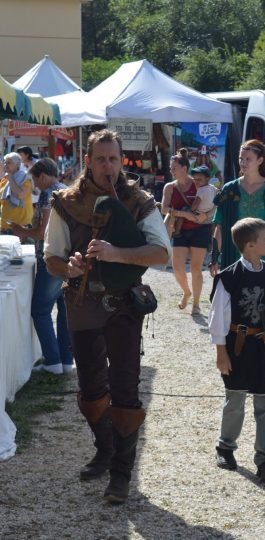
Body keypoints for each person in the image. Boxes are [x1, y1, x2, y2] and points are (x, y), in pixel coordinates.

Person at [44, 129, 170, 503]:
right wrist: (70, 268)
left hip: (124, 305)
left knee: (126, 386)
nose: (108, 166)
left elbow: (161, 253)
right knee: (92, 388)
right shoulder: (67, 202)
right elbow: (51, 256)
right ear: (88, 160)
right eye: (101, 159)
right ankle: (105, 448)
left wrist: (118, 254)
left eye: (114, 159)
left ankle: (121, 474)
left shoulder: (138, 201)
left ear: (121, 159)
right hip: (82, 305)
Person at [209, 139, 265, 376]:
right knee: (232, 310)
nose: (243, 162)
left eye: (248, 158)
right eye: (241, 158)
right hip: (234, 259)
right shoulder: (229, 190)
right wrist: (215, 258)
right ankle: (232, 360)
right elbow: (218, 227)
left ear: (260, 160)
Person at [209, 217, 265, 482]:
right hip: (236, 346)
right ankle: (226, 446)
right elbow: (217, 318)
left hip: (263, 344)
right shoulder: (228, 278)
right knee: (235, 399)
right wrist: (221, 352)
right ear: (250, 245)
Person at [11, 158, 73, 375]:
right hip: (67, 257)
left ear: (43, 176)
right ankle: (65, 360)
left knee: (39, 310)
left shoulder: (50, 194)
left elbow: (42, 233)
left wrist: (22, 230)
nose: (36, 186)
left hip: (51, 258)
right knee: (64, 311)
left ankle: (53, 361)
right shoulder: (67, 190)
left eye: (36, 181)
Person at [161, 149, 212, 315]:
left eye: (174, 167)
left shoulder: (198, 183)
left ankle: (196, 304)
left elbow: (215, 202)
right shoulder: (170, 187)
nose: (171, 170)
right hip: (179, 230)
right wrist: (184, 214)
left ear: (184, 168)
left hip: (200, 229)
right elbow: (164, 208)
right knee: (177, 267)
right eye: (171, 168)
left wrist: (206, 215)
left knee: (196, 268)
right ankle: (186, 292)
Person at [170, 164, 217, 237]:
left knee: (184, 209)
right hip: (209, 218)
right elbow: (216, 198)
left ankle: (177, 232)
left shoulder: (201, 190)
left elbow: (196, 204)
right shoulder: (213, 188)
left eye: (199, 179)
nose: (197, 182)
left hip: (198, 216)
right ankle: (212, 236)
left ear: (207, 179)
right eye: (195, 179)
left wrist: (191, 211)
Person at [0, 152, 33, 234]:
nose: (5, 164)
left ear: (18, 164)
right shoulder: (4, 179)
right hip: (4, 226)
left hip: (20, 228)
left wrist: (11, 179)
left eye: (9, 162)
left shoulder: (25, 178)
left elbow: (20, 195)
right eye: (4, 162)